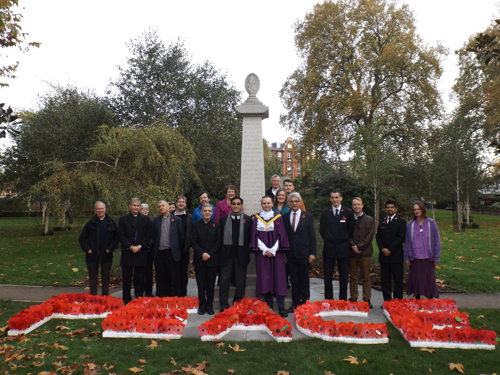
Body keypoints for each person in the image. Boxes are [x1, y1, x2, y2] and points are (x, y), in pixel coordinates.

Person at [251, 195, 290, 317]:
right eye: (264, 203)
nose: (266, 205)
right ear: (261, 204)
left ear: (272, 204)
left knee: (279, 279)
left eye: (268, 203)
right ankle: (268, 305)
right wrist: (265, 249)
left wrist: (273, 250)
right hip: (262, 254)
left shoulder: (278, 218)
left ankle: (281, 307)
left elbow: (281, 235)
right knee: (265, 278)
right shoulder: (257, 219)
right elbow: (254, 236)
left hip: (276, 253)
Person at [283, 192, 316, 312]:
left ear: (300, 202)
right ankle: (295, 303)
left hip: (304, 253)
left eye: (296, 201)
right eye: (292, 201)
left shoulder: (307, 216)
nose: (294, 203)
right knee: (294, 280)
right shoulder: (285, 217)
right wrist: (284, 253)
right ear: (289, 203)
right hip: (290, 254)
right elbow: (284, 237)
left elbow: (312, 236)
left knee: (304, 279)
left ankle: (305, 302)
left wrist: (312, 253)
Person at [319, 191, 355, 300]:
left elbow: (351, 229)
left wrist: (343, 240)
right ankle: (329, 299)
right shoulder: (325, 212)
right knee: (327, 275)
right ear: (330, 199)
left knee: (344, 276)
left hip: (343, 248)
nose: (334, 199)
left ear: (341, 198)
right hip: (329, 248)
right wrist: (329, 239)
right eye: (332, 198)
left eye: (336, 197)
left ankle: (342, 299)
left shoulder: (348, 212)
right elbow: (322, 230)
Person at [219, 196, 252, 311]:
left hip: (241, 256)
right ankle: (223, 304)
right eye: (234, 204)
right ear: (231, 205)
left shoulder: (248, 220)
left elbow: (250, 239)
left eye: (238, 204)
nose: (236, 206)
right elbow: (219, 239)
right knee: (224, 281)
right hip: (226, 256)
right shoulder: (223, 220)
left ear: (242, 206)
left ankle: (236, 303)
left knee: (241, 282)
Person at [79, 201, 118, 296]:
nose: (100, 210)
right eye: (98, 209)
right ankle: (93, 297)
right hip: (92, 255)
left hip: (106, 255)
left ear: (105, 209)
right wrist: (88, 249)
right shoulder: (90, 223)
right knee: (93, 277)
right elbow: (82, 238)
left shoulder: (111, 223)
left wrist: (110, 249)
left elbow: (116, 239)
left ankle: (105, 297)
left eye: (102, 208)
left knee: (106, 276)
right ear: (95, 211)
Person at [117, 198, 153, 304]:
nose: (136, 207)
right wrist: (130, 246)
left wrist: (140, 246)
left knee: (140, 277)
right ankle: (126, 298)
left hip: (140, 252)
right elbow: (121, 235)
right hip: (128, 251)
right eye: (134, 205)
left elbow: (148, 235)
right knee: (127, 278)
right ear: (130, 206)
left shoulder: (145, 219)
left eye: (138, 206)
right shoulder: (123, 219)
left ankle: (138, 297)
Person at [404, 200, 441, 299]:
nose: (416, 211)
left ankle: (429, 301)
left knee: (428, 280)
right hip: (415, 258)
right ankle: (417, 300)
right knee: (416, 280)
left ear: (422, 210)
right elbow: (407, 242)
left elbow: (437, 241)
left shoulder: (431, 223)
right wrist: (407, 257)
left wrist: (436, 257)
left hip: (428, 258)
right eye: (414, 210)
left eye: (418, 209)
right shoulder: (410, 224)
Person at [191, 203, 220, 315]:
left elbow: (218, 241)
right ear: (202, 212)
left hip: (212, 260)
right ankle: (202, 305)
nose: (207, 212)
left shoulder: (216, 225)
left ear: (212, 213)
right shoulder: (195, 225)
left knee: (210, 284)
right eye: (205, 211)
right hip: (200, 259)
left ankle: (209, 305)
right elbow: (193, 241)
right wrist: (202, 253)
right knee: (201, 284)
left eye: (209, 211)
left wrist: (210, 254)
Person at [152, 200, 185, 297]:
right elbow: (153, 237)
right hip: (159, 254)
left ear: (168, 206)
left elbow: (181, 237)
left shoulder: (177, 220)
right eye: (159, 206)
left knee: (173, 278)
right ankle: (161, 299)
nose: (161, 207)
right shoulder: (156, 221)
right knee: (161, 278)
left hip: (172, 253)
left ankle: (173, 299)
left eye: (163, 205)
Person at [376, 200, 406, 301]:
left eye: (392, 207)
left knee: (397, 279)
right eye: (388, 207)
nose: (389, 209)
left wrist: (390, 249)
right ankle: (387, 301)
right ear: (385, 209)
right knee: (385, 280)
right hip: (384, 256)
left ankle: (397, 301)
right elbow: (378, 237)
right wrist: (382, 249)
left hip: (396, 255)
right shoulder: (382, 221)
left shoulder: (401, 222)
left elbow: (400, 238)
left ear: (396, 209)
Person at [348, 197, 375, 308]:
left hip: (365, 252)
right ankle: (353, 297)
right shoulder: (349, 219)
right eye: (354, 204)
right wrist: (353, 245)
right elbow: (346, 234)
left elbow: (370, 235)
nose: (356, 206)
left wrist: (360, 246)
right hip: (351, 252)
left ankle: (366, 298)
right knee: (353, 276)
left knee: (366, 276)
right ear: (352, 206)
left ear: (362, 205)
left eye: (358, 204)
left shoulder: (369, 219)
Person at [174, 195, 192, 297]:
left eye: (183, 202)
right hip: (172, 249)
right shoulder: (171, 215)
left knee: (183, 272)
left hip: (184, 249)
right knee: (174, 272)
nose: (181, 203)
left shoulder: (189, 217)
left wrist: (186, 247)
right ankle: (175, 291)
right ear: (176, 203)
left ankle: (183, 292)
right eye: (179, 202)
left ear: (185, 204)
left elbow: (190, 233)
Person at [140, 203, 154, 297]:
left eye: (146, 209)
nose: (145, 211)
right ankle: (140, 292)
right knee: (140, 273)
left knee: (149, 273)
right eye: (143, 209)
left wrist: (148, 246)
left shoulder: (151, 221)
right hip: (139, 251)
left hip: (149, 251)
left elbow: (153, 236)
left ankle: (149, 292)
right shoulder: (137, 221)